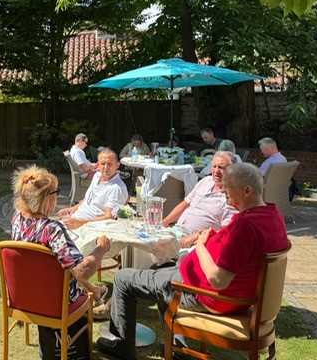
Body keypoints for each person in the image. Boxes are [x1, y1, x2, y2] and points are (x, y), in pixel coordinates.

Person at [97, 163, 290, 360]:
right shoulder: (272, 215)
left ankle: (122, 345)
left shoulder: (246, 226)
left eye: (227, 187)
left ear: (247, 190)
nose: (223, 192)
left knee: (123, 278)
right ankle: (176, 347)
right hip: (208, 287)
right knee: (159, 269)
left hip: (205, 295)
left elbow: (218, 280)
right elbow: (240, 250)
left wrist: (200, 246)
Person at [11, 165, 111, 306]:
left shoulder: (17, 217)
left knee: (66, 262)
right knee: (73, 266)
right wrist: (101, 247)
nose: (57, 196)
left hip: (27, 294)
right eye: (56, 192)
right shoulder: (52, 230)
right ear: (46, 199)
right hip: (55, 302)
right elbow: (82, 271)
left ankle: (95, 291)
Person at [162, 152, 238, 248]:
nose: (216, 171)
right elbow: (186, 203)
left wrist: (197, 236)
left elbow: (227, 231)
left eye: (221, 167)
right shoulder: (205, 181)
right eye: (214, 166)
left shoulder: (231, 196)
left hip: (194, 241)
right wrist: (165, 222)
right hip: (176, 230)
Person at [58, 149, 129, 228]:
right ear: (98, 165)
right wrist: (71, 210)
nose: (106, 167)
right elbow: (88, 199)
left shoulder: (117, 188)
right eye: (103, 164)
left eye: (109, 164)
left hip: (90, 227)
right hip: (76, 219)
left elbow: (110, 218)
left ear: (117, 165)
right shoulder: (97, 176)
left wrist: (81, 223)